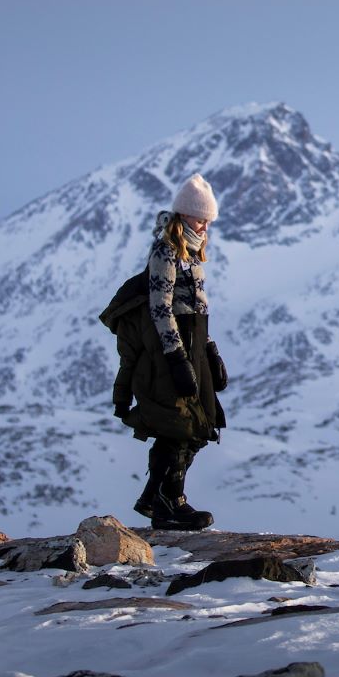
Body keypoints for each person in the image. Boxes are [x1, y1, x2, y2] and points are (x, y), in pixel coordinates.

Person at [98, 173, 228, 529]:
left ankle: (165, 498)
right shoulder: (166, 252)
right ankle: (166, 501)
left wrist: (210, 350)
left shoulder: (194, 253)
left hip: (194, 343)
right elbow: (161, 308)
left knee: (202, 425)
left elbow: (197, 307)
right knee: (179, 426)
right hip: (173, 347)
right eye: (200, 218)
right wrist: (176, 358)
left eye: (208, 220)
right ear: (183, 215)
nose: (204, 225)